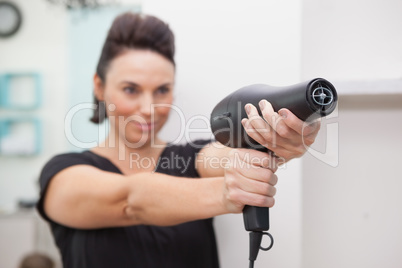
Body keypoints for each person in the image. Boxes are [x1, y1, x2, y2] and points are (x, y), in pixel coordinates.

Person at [36, 12, 320, 268]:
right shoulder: (62, 174)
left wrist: (283, 141)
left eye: (162, 90)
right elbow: (130, 200)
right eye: (131, 89)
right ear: (99, 87)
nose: (148, 108)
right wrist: (225, 193)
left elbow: (238, 156)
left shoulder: (192, 158)